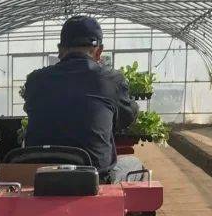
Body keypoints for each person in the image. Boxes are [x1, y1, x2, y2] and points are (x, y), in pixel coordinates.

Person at [23, 15, 138, 179]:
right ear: (99, 51)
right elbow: (127, 118)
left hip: (39, 174)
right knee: (134, 164)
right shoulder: (111, 80)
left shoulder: (35, 80)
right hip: (92, 177)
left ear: (60, 50)